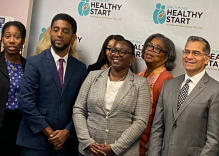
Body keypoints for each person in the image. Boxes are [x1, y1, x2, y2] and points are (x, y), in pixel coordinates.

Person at [16, 13, 87, 156]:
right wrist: (51, 133)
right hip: (34, 142)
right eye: (55, 30)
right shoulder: (34, 63)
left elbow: (82, 105)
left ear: (73, 37)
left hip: (65, 145)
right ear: (50, 33)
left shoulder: (80, 68)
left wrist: (67, 131)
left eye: (65, 31)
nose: (59, 34)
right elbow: (25, 103)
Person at [148, 36, 219, 156]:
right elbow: (157, 129)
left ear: (207, 59)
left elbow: (214, 141)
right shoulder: (168, 85)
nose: (189, 56)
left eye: (196, 53)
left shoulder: (217, 91)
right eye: (187, 51)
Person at [73, 40, 150, 156]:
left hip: (123, 152)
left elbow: (140, 121)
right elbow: (78, 109)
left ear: (132, 58)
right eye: (113, 50)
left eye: (122, 52)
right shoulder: (93, 76)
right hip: (89, 151)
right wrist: (87, 142)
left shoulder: (141, 83)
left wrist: (115, 148)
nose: (116, 54)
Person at [138, 33, 176, 156]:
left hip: (149, 141)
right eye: (149, 45)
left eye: (157, 48)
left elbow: (166, 119)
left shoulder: (167, 80)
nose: (150, 49)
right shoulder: (139, 75)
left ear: (166, 58)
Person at [0, 21, 26, 156]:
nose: (11, 41)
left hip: (21, 123)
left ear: (23, 41)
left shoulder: (29, 66)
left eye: (16, 37)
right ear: (2, 39)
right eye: (7, 36)